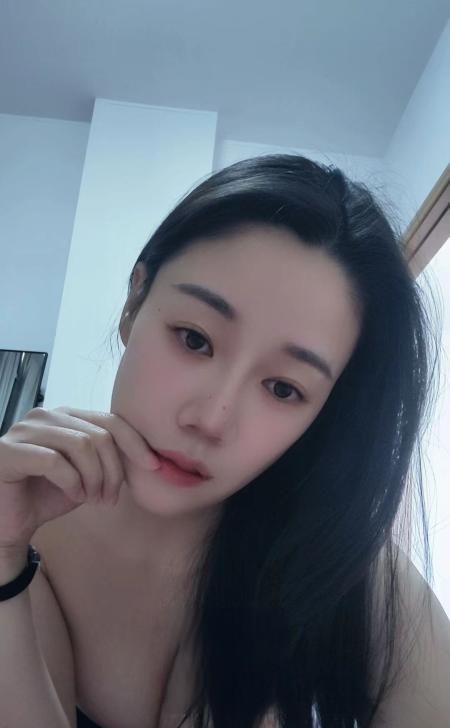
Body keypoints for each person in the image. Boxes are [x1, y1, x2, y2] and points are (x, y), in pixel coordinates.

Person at [0, 154, 449, 728]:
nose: (211, 419)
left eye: (283, 388)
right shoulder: (31, 530)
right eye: (194, 339)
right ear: (134, 301)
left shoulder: (356, 580)